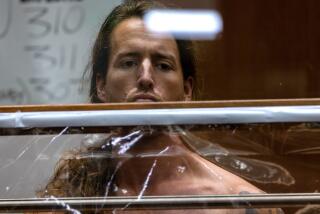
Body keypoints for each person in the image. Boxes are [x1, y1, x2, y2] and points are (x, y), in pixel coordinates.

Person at [39, 1, 283, 213]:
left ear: (187, 91)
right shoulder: (71, 195)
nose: (145, 77)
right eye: (129, 63)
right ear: (101, 86)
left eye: (163, 65)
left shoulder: (236, 202)